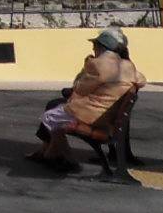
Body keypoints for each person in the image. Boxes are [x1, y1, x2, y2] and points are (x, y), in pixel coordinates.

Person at [25, 27, 144, 171]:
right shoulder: (127, 65)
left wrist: (86, 68)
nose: (93, 48)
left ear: (102, 47)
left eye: (95, 45)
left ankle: (62, 156)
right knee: (55, 110)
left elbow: (80, 88)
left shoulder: (97, 64)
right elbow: (141, 80)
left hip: (94, 117)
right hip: (110, 115)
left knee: (50, 115)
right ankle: (50, 152)